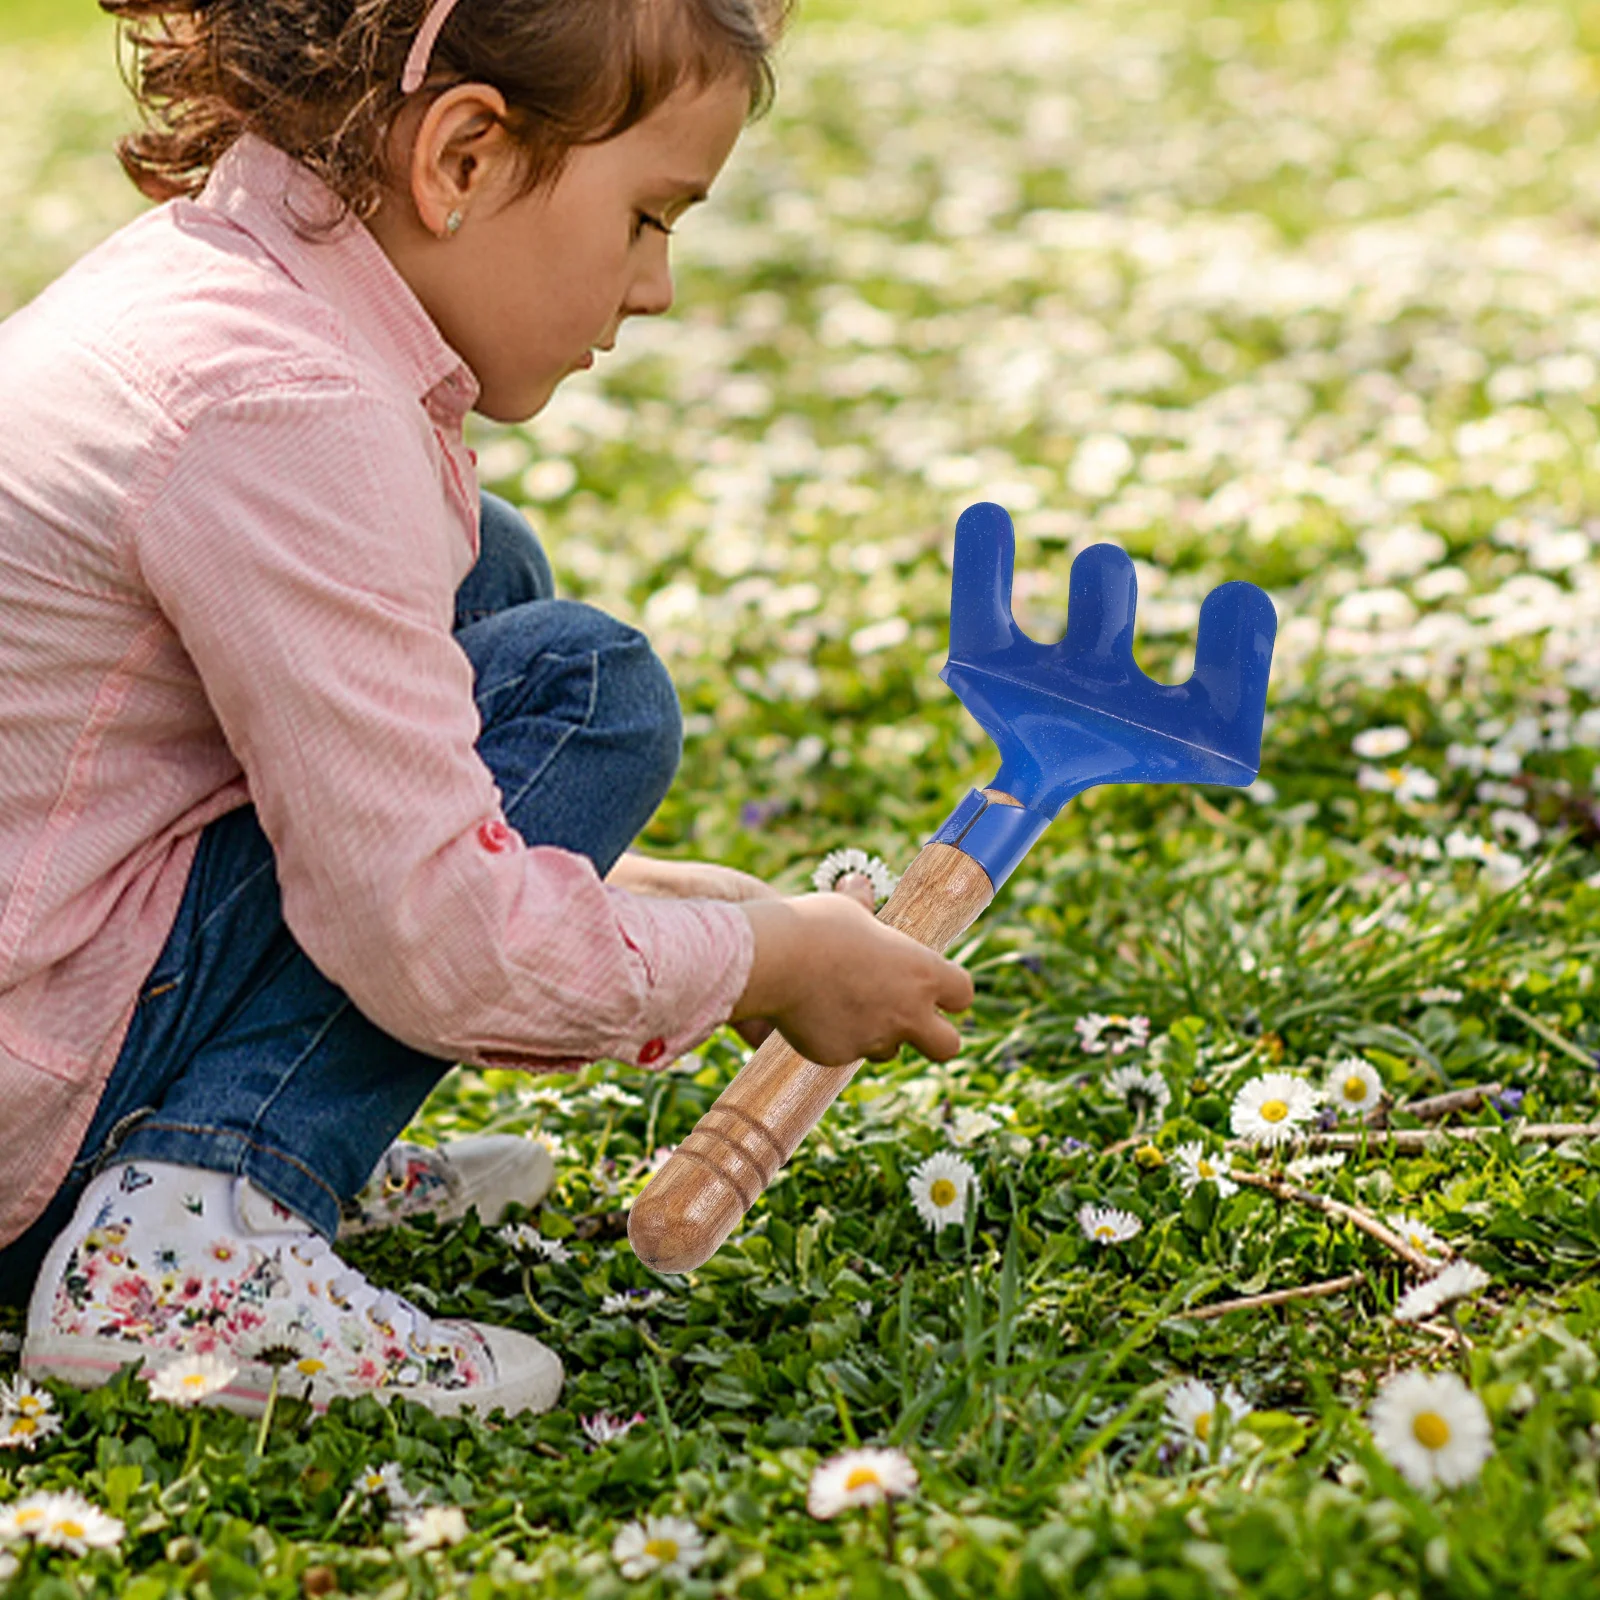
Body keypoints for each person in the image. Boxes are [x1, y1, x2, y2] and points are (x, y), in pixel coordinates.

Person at [0, 0, 975, 1419]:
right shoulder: (288, 409)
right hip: (33, 1076)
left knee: (486, 569)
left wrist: (627, 891)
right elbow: (442, 944)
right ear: (461, 157)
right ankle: (194, 1222)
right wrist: (758, 964)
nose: (658, 289)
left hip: (48, 968)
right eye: (648, 217)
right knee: (585, 687)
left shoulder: (219, 284)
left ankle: (225, 1123)